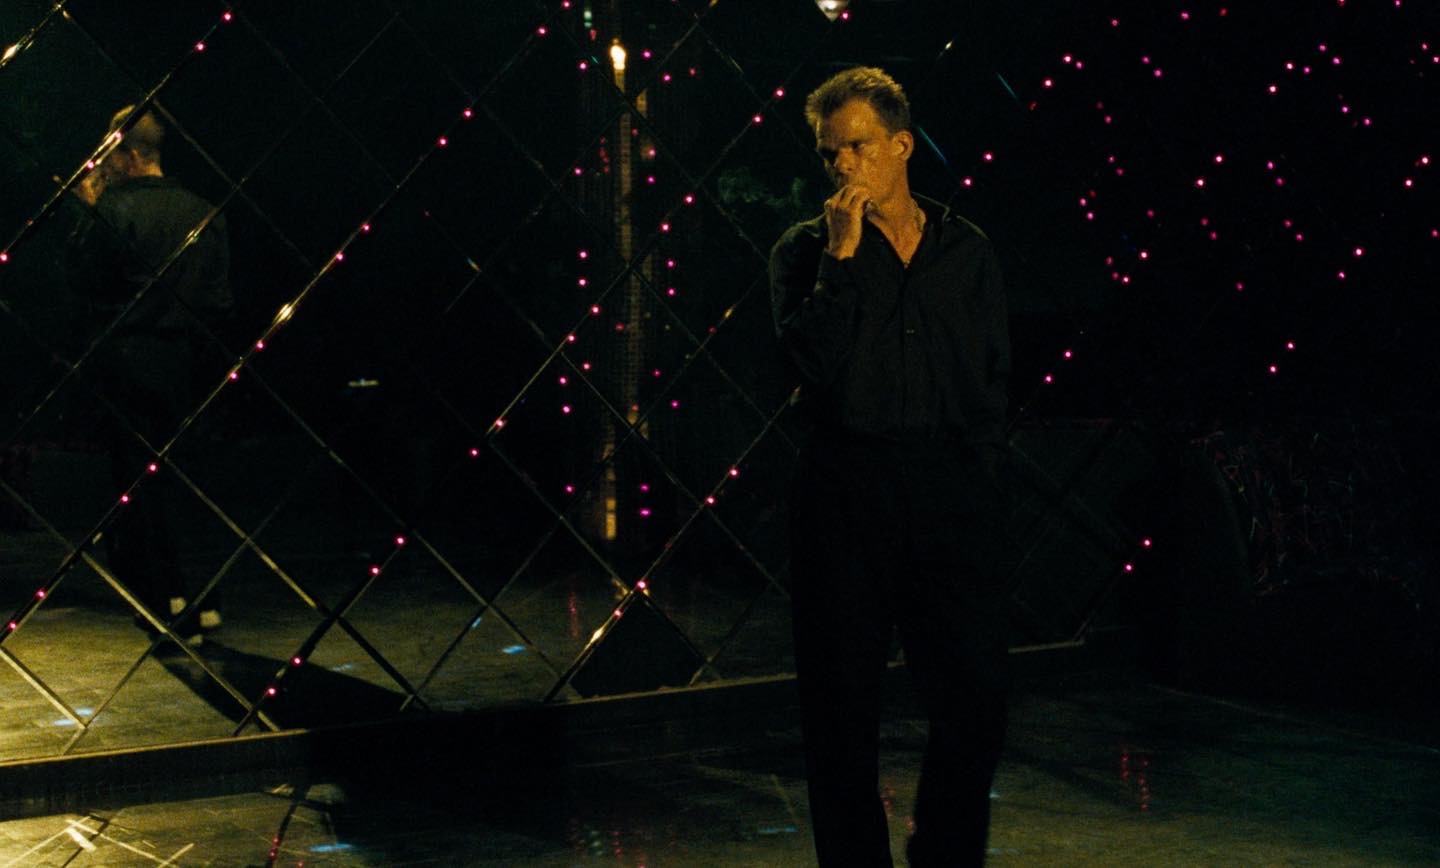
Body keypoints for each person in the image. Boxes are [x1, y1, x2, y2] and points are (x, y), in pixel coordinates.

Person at [770, 67, 1012, 866]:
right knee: (841, 709)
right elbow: (805, 365)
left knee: (974, 697)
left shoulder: (966, 250)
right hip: (846, 491)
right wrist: (841, 260)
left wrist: (979, 479)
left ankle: (945, 854)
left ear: (901, 145)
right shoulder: (805, 250)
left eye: (857, 147)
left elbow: (990, 376)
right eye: (829, 152)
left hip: (949, 488)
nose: (841, 165)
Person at [68, 105, 231, 646]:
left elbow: (86, 284)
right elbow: (219, 299)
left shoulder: (113, 212)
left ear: (130, 155)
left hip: (129, 361)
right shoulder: (205, 212)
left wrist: (89, 212)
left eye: (109, 152)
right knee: (192, 481)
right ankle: (204, 598)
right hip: (192, 363)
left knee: (140, 487)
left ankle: (167, 600)